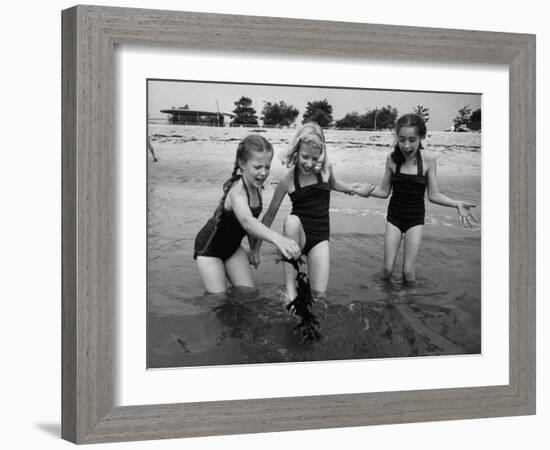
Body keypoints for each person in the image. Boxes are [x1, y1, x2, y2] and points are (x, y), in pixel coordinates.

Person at [354, 113, 477, 283]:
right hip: (394, 218)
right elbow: (383, 191)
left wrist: (456, 204)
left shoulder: (428, 159)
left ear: (422, 137)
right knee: (387, 270)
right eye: (402, 139)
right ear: (397, 137)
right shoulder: (392, 159)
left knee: (408, 273)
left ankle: (408, 305)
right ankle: (385, 303)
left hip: (415, 219)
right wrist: (365, 190)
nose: (406, 145)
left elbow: (433, 195)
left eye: (412, 140)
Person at [251, 122, 355, 303]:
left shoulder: (324, 170)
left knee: (319, 297)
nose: (309, 163)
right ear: (297, 151)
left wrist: (352, 188)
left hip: (319, 238)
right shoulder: (288, 180)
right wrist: (256, 248)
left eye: (314, 158)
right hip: (298, 236)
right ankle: (290, 292)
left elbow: (334, 184)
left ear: (321, 155)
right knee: (291, 220)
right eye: (305, 157)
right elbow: (269, 215)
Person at [193, 135, 301, 294]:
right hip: (209, 250)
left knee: (249, 294)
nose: (263, 173)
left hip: (232, 248)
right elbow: (247, 221)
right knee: (219, 300)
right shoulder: (237, 193)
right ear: (242, 164)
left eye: (267, 167)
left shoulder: (256, 188)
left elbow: (253, 226)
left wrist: (254, 249)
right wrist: (279, 240)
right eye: (257, 167)